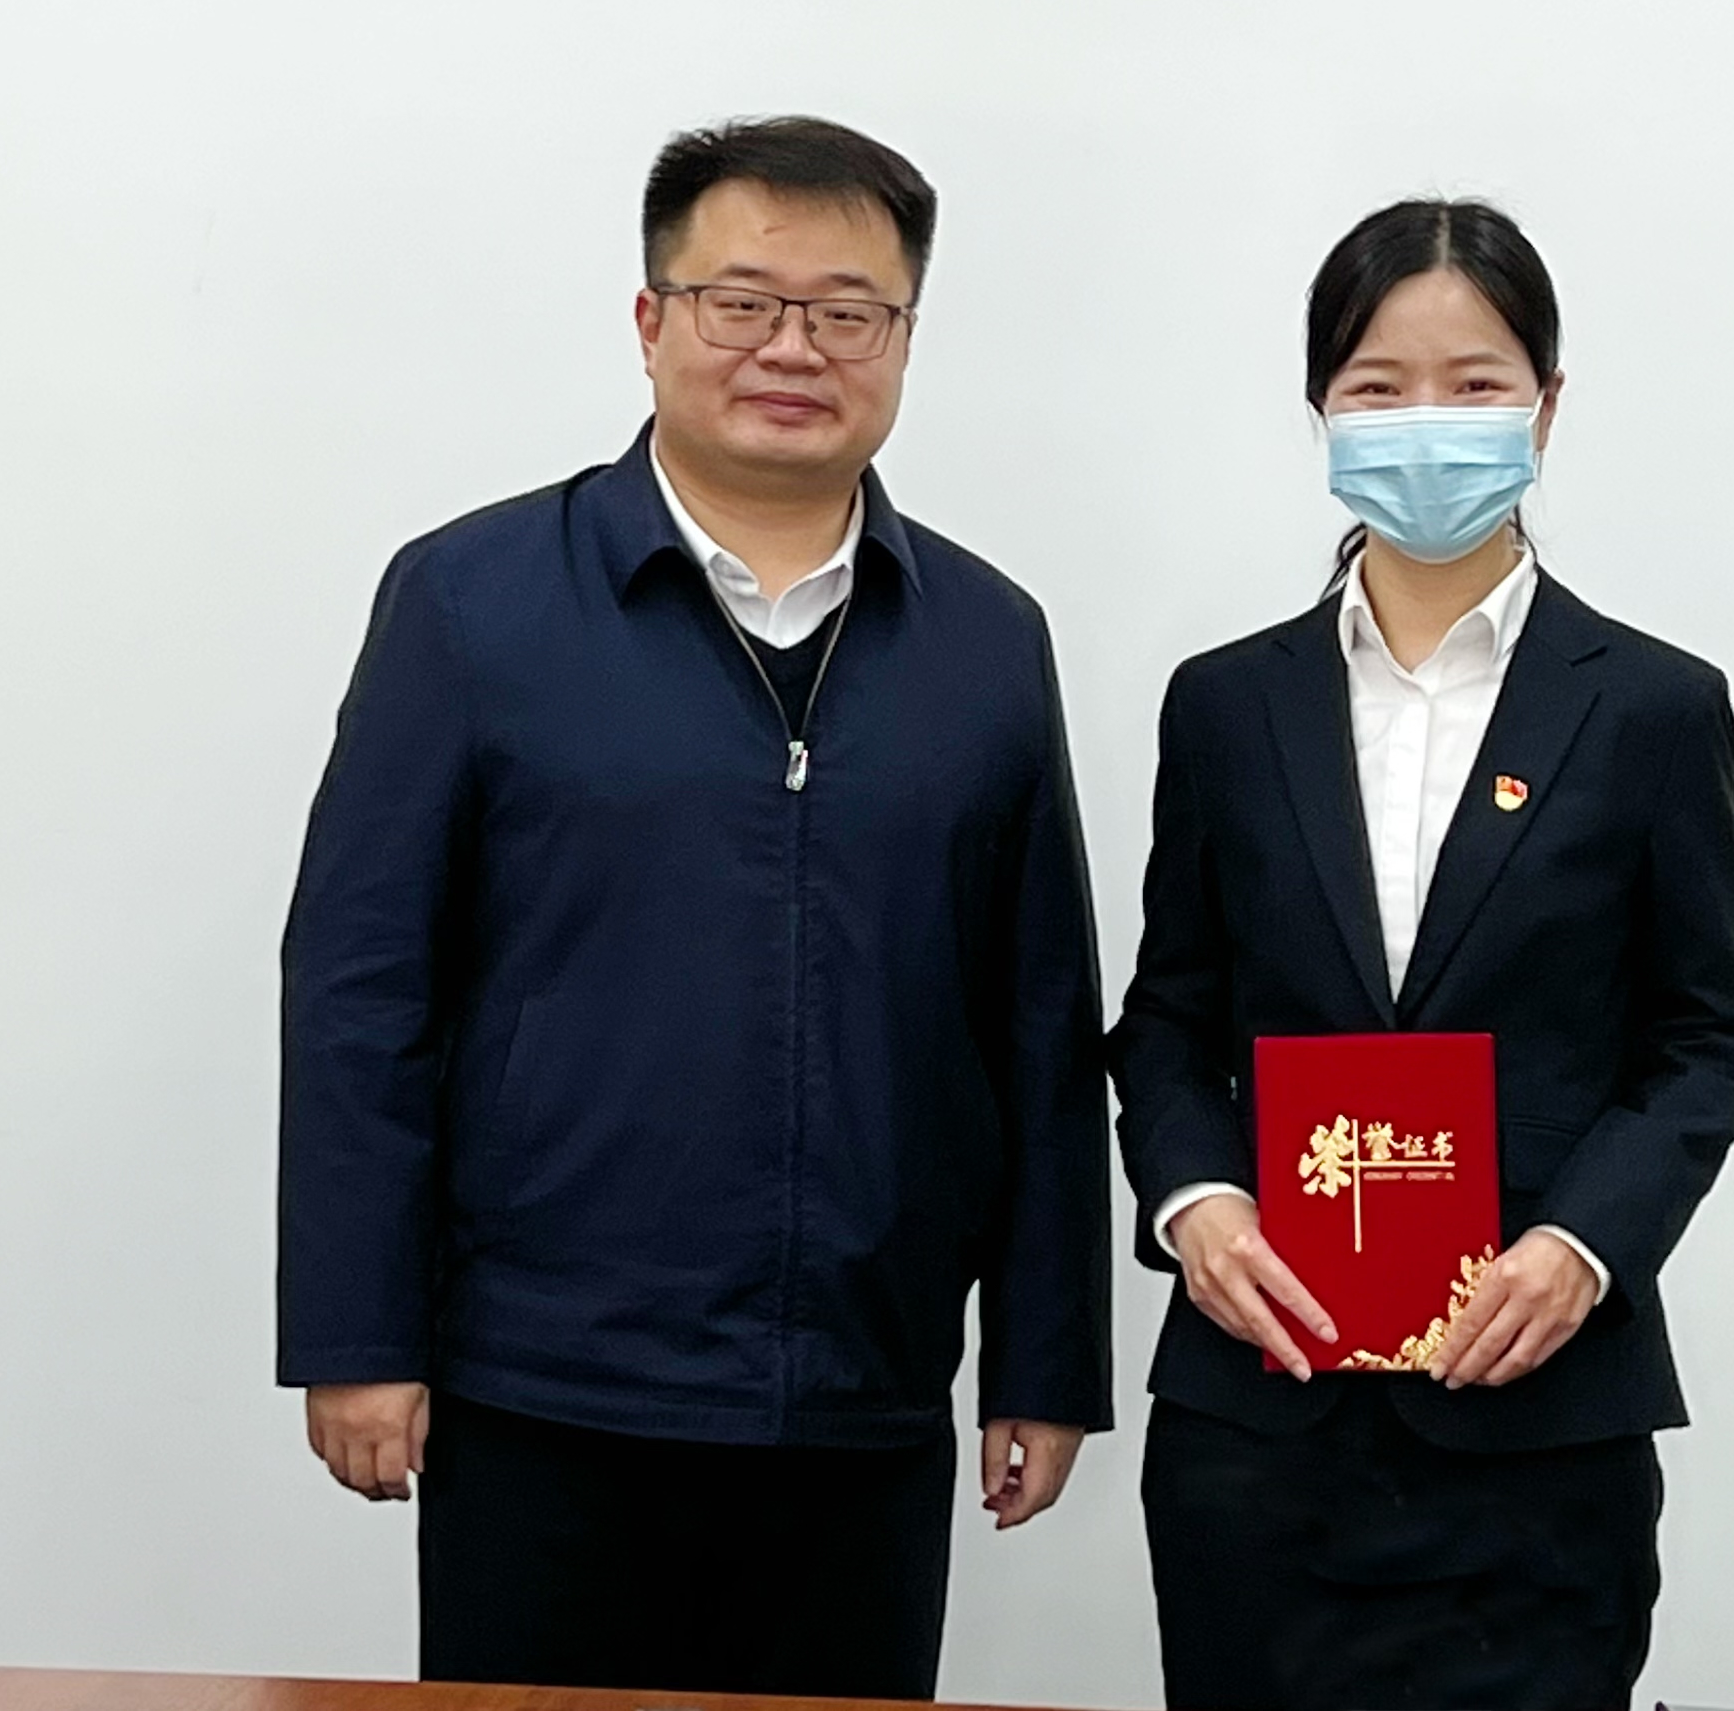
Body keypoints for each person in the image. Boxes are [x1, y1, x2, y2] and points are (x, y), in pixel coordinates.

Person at [277, 116, 1112, 1702]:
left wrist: (1048, 1355)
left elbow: (1040, 1023)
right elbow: (360, 989)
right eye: (744, 301)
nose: (794, 347)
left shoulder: (988, 640)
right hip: (543, 1386)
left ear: (903, 339)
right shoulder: (471, 600)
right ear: (652, 319)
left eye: (848, 310)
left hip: (863, 1395)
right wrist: (356, 1332)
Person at [1108, 196, 1734, 1711]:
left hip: (1537, 1416)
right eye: (1379, 385)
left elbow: (1712, 1039)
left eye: (1475, 384)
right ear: (1321, 410)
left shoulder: (1652, 707)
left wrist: (1584, 1246)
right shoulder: (1226, 705)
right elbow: (1168, 1017)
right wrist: (1197, 1205)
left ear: (1546, 404)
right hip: (1261, 1414)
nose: (1427, 421)